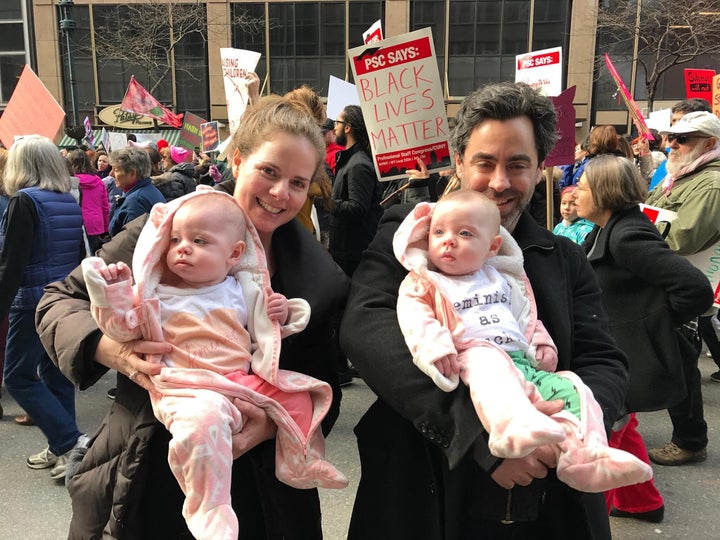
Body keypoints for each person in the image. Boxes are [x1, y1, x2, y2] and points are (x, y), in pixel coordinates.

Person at [36, 95, 349, 539]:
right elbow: (58, 301)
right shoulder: (167, 230)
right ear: (238, 160)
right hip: (148, 467)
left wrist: (268, 425)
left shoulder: (320, 276)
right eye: (269, 172)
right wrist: (112, 350)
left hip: (263, 493)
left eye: (298, 183)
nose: (281, 193)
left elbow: (322, 380)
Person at [340, 81, 630, 539]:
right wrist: (482, 436)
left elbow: (603, 358)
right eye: (484, 162)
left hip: (548, 497)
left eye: (517, 164)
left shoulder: (563, 257)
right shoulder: (413, 237)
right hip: (428, 485)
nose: (500, 181)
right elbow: (368, 332)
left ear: (539, 170)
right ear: (459, 162)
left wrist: (569, 425)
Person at [82, 189, 347, 539]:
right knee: (202, 427)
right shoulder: (156, 293)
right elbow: (119, 325)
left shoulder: (241, 286)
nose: (182, 247)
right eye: (175, 239)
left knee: (304, 397)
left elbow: (272, 326)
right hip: (186, 387)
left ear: (234, 254)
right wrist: (112, 294)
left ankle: (300, 462)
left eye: (199, 241)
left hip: (239, 381)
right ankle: (209, 507)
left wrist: (282, 311)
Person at [394, 189, 651, 493]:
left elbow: (524, 315)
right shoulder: (425, 280)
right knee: (490, 365)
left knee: (572, 386)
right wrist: (434, 347)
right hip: (473, 356)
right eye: (438, 232)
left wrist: (539, 343)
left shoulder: (502, 277)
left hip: (521, 362)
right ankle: (512, 429)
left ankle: (585, 453)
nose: (448, 240)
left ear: (492, 247)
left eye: (464, 233)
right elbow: (414, 316)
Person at [574, 154, 713, 522]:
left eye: (583, 186)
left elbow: (696, 289)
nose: (575, 192)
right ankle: (643, 503)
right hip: (621, 351)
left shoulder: (626, 236)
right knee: (624, 426)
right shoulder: (611, 228)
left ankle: (590, 523)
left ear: (603, 194)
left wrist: (656, 322)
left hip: (630, 352)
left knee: (604, 438)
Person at [0, 135, 86, 482]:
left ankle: (70, 441)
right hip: (62, 297)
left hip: (31, 299)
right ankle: (62, 445)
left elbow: (12, 263)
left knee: (18, 376)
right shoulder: (67, 198)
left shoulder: (23, 201)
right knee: (54, 373)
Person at [644, 110, 720, 466]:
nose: (672, 144)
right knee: (671, 359)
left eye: (682, 139)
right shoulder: (682, 175)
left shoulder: (711, 183)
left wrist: (633, 238)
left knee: (680, 363)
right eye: (671, 137)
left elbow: (684, 237)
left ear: (710, 144)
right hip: (665, 283)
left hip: (682, 287)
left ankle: (690, 440)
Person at [329, 105, 383, 277]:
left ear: (347, 127)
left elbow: (357, 208)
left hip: (352, 254)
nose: (334, 127)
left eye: (337, 123)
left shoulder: (358, 165)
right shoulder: (351, 160)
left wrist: (327, 203)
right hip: (346, 250)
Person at [107, 146, 166, 237]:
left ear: (132, 173)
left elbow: (131, 243)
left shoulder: (136, 201)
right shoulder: (148, 190)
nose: (111, 174)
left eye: (116, 170)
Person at [67, 149, 110, 254]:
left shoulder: (69, 183)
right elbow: (105, 207)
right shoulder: (98, 181)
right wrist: (105, 228)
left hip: (76, 224)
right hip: (96, 224)